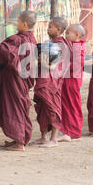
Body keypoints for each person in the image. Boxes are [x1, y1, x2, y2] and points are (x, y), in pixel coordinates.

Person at [0, 10, 38, 151]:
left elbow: (4, 53)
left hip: (15, 79)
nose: (16, 24)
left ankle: (19, 142)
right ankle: (19, 139)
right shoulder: (32, 39)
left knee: (15, 108)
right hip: (24, 79)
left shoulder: (18, 39)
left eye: (18, 21)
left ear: (24, 24)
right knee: (20, 105)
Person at [33, 17, 70, 148]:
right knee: (42, 108)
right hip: (44, 79)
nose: (48, 29)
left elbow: (53, 67)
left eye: (50, 27)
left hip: (52, 82)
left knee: (53, 108)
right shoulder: (53, 43)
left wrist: (41, 60)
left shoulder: (60, 45)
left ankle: (54, 139)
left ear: (58, 29)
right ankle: (44, 136)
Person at [57, 23, 86, 142]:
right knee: (71, 105)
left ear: (77, 34)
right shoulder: (75, 45)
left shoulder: (77, 47)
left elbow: (77, 64)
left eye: (68, 33)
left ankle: (69, 132)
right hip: (71, 79)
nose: (66, 35)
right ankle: (74, 132)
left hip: (72, 80)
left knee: (70, 105)